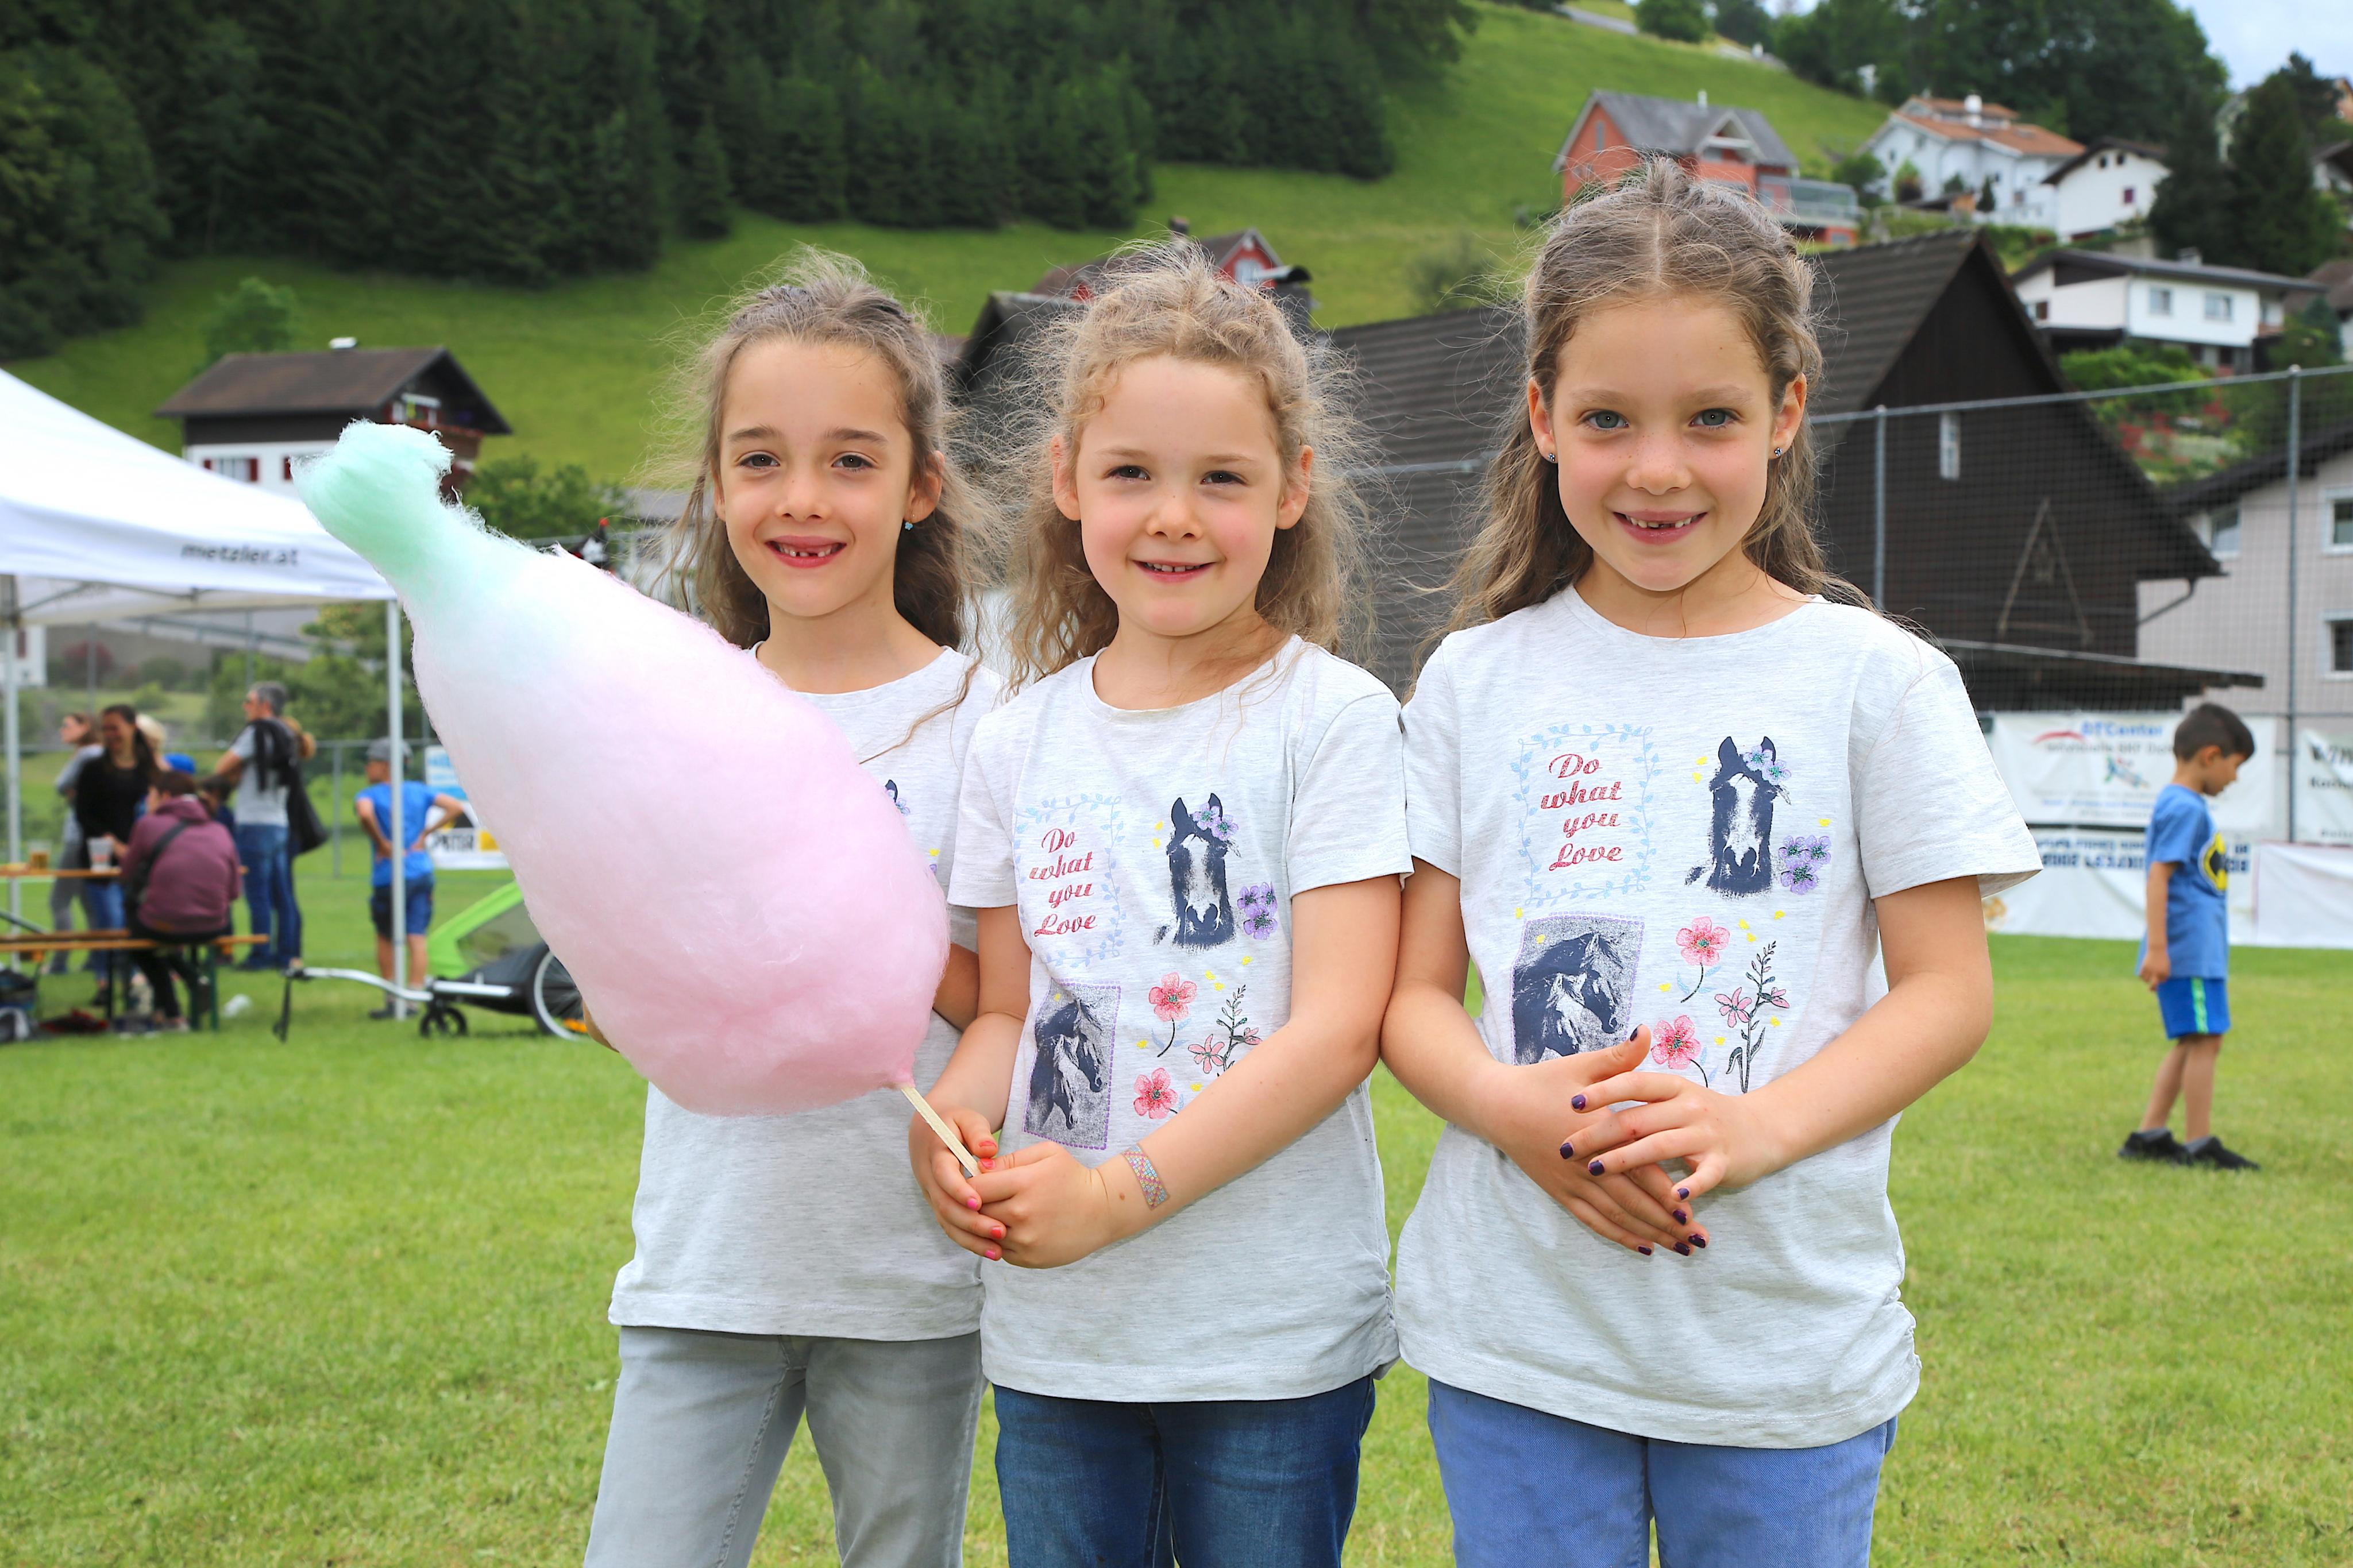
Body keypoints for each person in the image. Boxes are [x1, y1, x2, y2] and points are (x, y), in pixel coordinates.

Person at [1378, 160, 2040, 1568]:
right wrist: (1509, 1109)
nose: (1658, 468)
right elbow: (1411, 997)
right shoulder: (1472, 682)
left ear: (1786, 413)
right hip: (1517, 1342)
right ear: (1543, 417)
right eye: (1607, 419)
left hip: (1780, 1357)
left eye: (1711, 418)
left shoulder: (1878, 684)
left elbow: (1947, 992)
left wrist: (1754, 1131)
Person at [911, 249, 1409, 1567]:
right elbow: (1007, 1012)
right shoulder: (1015, 741)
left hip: (1268, 1345)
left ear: (1291, 490)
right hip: (1059, 1337)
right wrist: (949, 1124)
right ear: (1067, 480)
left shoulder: (1335, 721)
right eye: (1131, 472)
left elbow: (1338, 1031)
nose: (1173, 516)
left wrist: (1119, 1195)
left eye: (1221, 479)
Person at [580, 252, 1002, 1568]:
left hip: (909, 1284)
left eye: (850, 461)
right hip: (704, 1268)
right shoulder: (673, 712)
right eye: (759, 460)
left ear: (920, 485)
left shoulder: (994, 723)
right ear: (715, 486)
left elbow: (1014, 1002)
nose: (802, 498)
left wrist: (860, 909)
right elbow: (626, 984)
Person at [2120, 702, 2259, 1169]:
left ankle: (2149, 1135)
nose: (2234, 778)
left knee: (2194, 1039)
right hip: (2187, 952)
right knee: (2205, 1040)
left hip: (2196, 951)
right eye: (2235, 766)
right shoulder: (2183, 807)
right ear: (2210, 755)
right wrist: (2160, 950)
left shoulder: (2186, 805)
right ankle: (2200, 1144)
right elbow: (2158, 878)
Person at [117, 770, 242, 1033]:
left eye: (150, 795)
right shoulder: (219, 829)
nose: (147, 801)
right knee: (159, 934)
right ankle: (193, 980)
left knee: (139, 941)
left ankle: (174, 1013)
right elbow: (234, 892)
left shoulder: (148, 825)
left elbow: (126, 875)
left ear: (164, 796)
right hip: (215, 924)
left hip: (163, 923)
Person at [353, 740, 468, 1019]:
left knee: (385, 936)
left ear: (385, 766)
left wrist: (382, 843)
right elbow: (455, 807)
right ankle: (414, 998)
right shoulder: (419, 791)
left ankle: (393, 999)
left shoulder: (369, 795)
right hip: (420, 872)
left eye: (371, 762)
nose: (367, 768)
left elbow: (365, 813)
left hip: (389, 876)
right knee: (417, 936)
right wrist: (426, 834)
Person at [213, 681, 313, 970]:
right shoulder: (287, 732)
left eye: (249, 701)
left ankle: (260, 955)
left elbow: (222, 767)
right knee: (282, 894)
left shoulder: (257, 731)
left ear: (265, 706)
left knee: (258, 894)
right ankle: (287, 954)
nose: (245, 707)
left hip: (253, 823)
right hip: (279, 823)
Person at [70, 704, 161, 1010]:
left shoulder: (149, 769)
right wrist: (114, 844)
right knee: (109, 921)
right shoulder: (93, 769)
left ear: (132, 727)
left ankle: (132, 982)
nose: (110, 735)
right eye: (105, 729)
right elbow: (83, 814)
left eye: (115, 728)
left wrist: (137, 849)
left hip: (141, 861)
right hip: (100, 858)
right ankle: (105, 982)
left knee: (134, 923)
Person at [47, 713, 102, 976]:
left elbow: (61, 785)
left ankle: (60, 963)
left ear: (85, 727)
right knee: (92, 901)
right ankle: (97, 959)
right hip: (100, 838)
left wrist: (73, 792)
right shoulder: (103, 754)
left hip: (78, 838)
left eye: (67, 726)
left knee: (59, 901)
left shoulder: (86, 754)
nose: (62, 730)